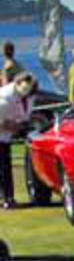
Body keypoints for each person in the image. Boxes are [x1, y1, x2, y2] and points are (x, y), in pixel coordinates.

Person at [0, 72, 37, 210]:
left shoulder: (28, 94)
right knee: (4, 168)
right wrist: (17, 127)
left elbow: (25, 114)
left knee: (4, 167)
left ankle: (7, 197)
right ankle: (8, 199)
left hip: (6, 135)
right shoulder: (4, 98)